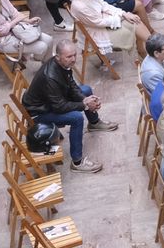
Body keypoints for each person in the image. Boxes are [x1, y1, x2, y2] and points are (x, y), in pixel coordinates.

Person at [22, 40, 116, 173]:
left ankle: (94, 123)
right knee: (76, 118)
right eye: (69, 57)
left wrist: (86, 100)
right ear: (58, 57)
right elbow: (59, 107)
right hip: (39, 112)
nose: (73, 59)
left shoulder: (63, 65)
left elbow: (72, 85)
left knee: (86, 90)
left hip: (52, 102)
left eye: (74, 55)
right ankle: (77, 163)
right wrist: (84, 105)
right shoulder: (50, 76)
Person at [69, 0, 151, 50]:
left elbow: (105, 5)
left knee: (134, 19)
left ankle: (151, 46)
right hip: (97, 32)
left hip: (104, 20)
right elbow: (98, 22)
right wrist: (122, 17)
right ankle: (152, 47)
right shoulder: (79, 6)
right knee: (134, 23)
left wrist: (123, 13)